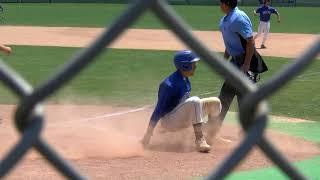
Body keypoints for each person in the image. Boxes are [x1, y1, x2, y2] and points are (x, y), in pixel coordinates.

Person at [141, 50, 222, 153]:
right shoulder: (168, 85)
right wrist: (148, 134)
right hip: (170, 122)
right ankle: (199, 139)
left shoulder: (185, 78)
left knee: (215, 102)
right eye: (193, 63)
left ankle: (211, 134)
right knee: (195, 100)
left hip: (180, 117)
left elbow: (183, 104)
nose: (196, 66)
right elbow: (158, 110)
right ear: (185, 66)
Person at [207, 0, 260, 138]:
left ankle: (246, 130)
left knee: (238, 97)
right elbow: (230, 43)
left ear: (225, 4)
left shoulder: (238, 18)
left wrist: (247, 64)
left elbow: (250, 41)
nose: (219, 5)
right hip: (235, 62)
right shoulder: (226, 19)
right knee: (230, 96)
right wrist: (225, 60)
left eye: (220, 3)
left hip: (244, 62)